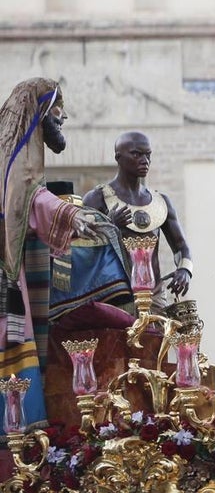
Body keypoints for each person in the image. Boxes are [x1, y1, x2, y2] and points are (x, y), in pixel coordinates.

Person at [0, 78, 99, 427]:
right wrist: (75, 216)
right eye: (58, 115)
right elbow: (30, 198)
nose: (64, 119)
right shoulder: (18, 169)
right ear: (40, 114)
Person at [82, 132, 193, 310]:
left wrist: (185, 270)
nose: (144, 160)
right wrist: (109, 228)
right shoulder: (97, 199)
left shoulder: (161, 202)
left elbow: (182, 247)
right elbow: (82, 252)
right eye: (136, 154)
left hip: (155, 296)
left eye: (148, 155)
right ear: (118, 157)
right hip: (114, 296)